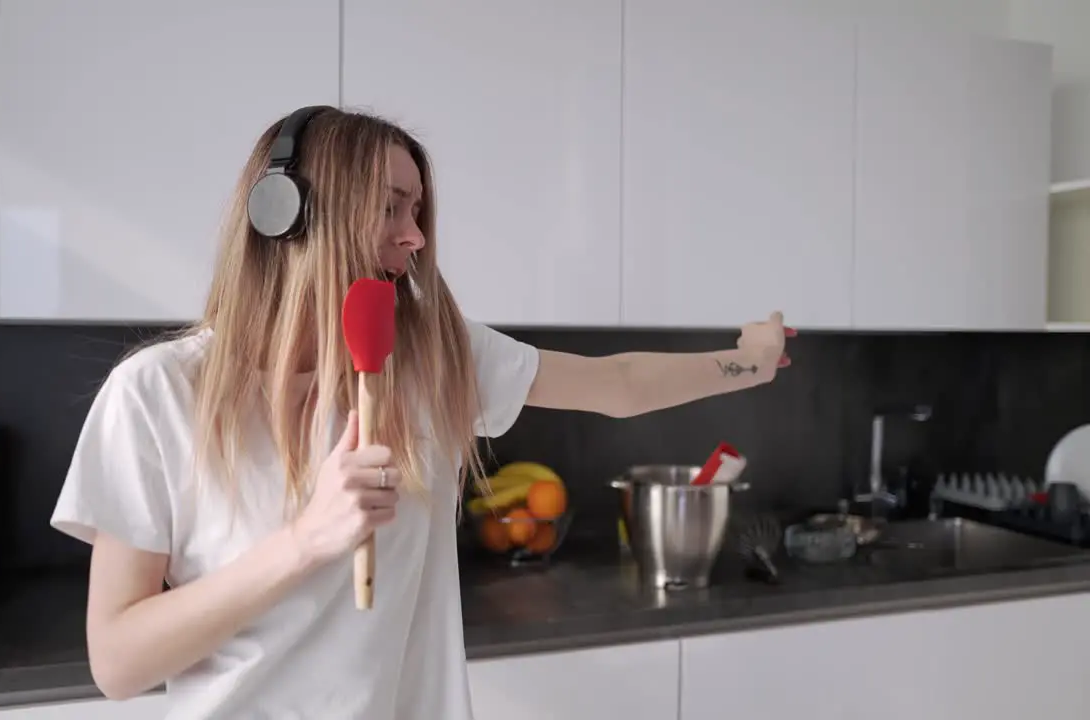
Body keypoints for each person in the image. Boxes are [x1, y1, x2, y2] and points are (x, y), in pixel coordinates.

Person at [49, 105, 793, 719]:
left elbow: (619, 385)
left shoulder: (431, 356)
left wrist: (752, 362)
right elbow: (117, 662)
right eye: (389, 208)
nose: (415, 235)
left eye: (417, 210)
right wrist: (307, 540)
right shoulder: (156, 395)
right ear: (287, 217)